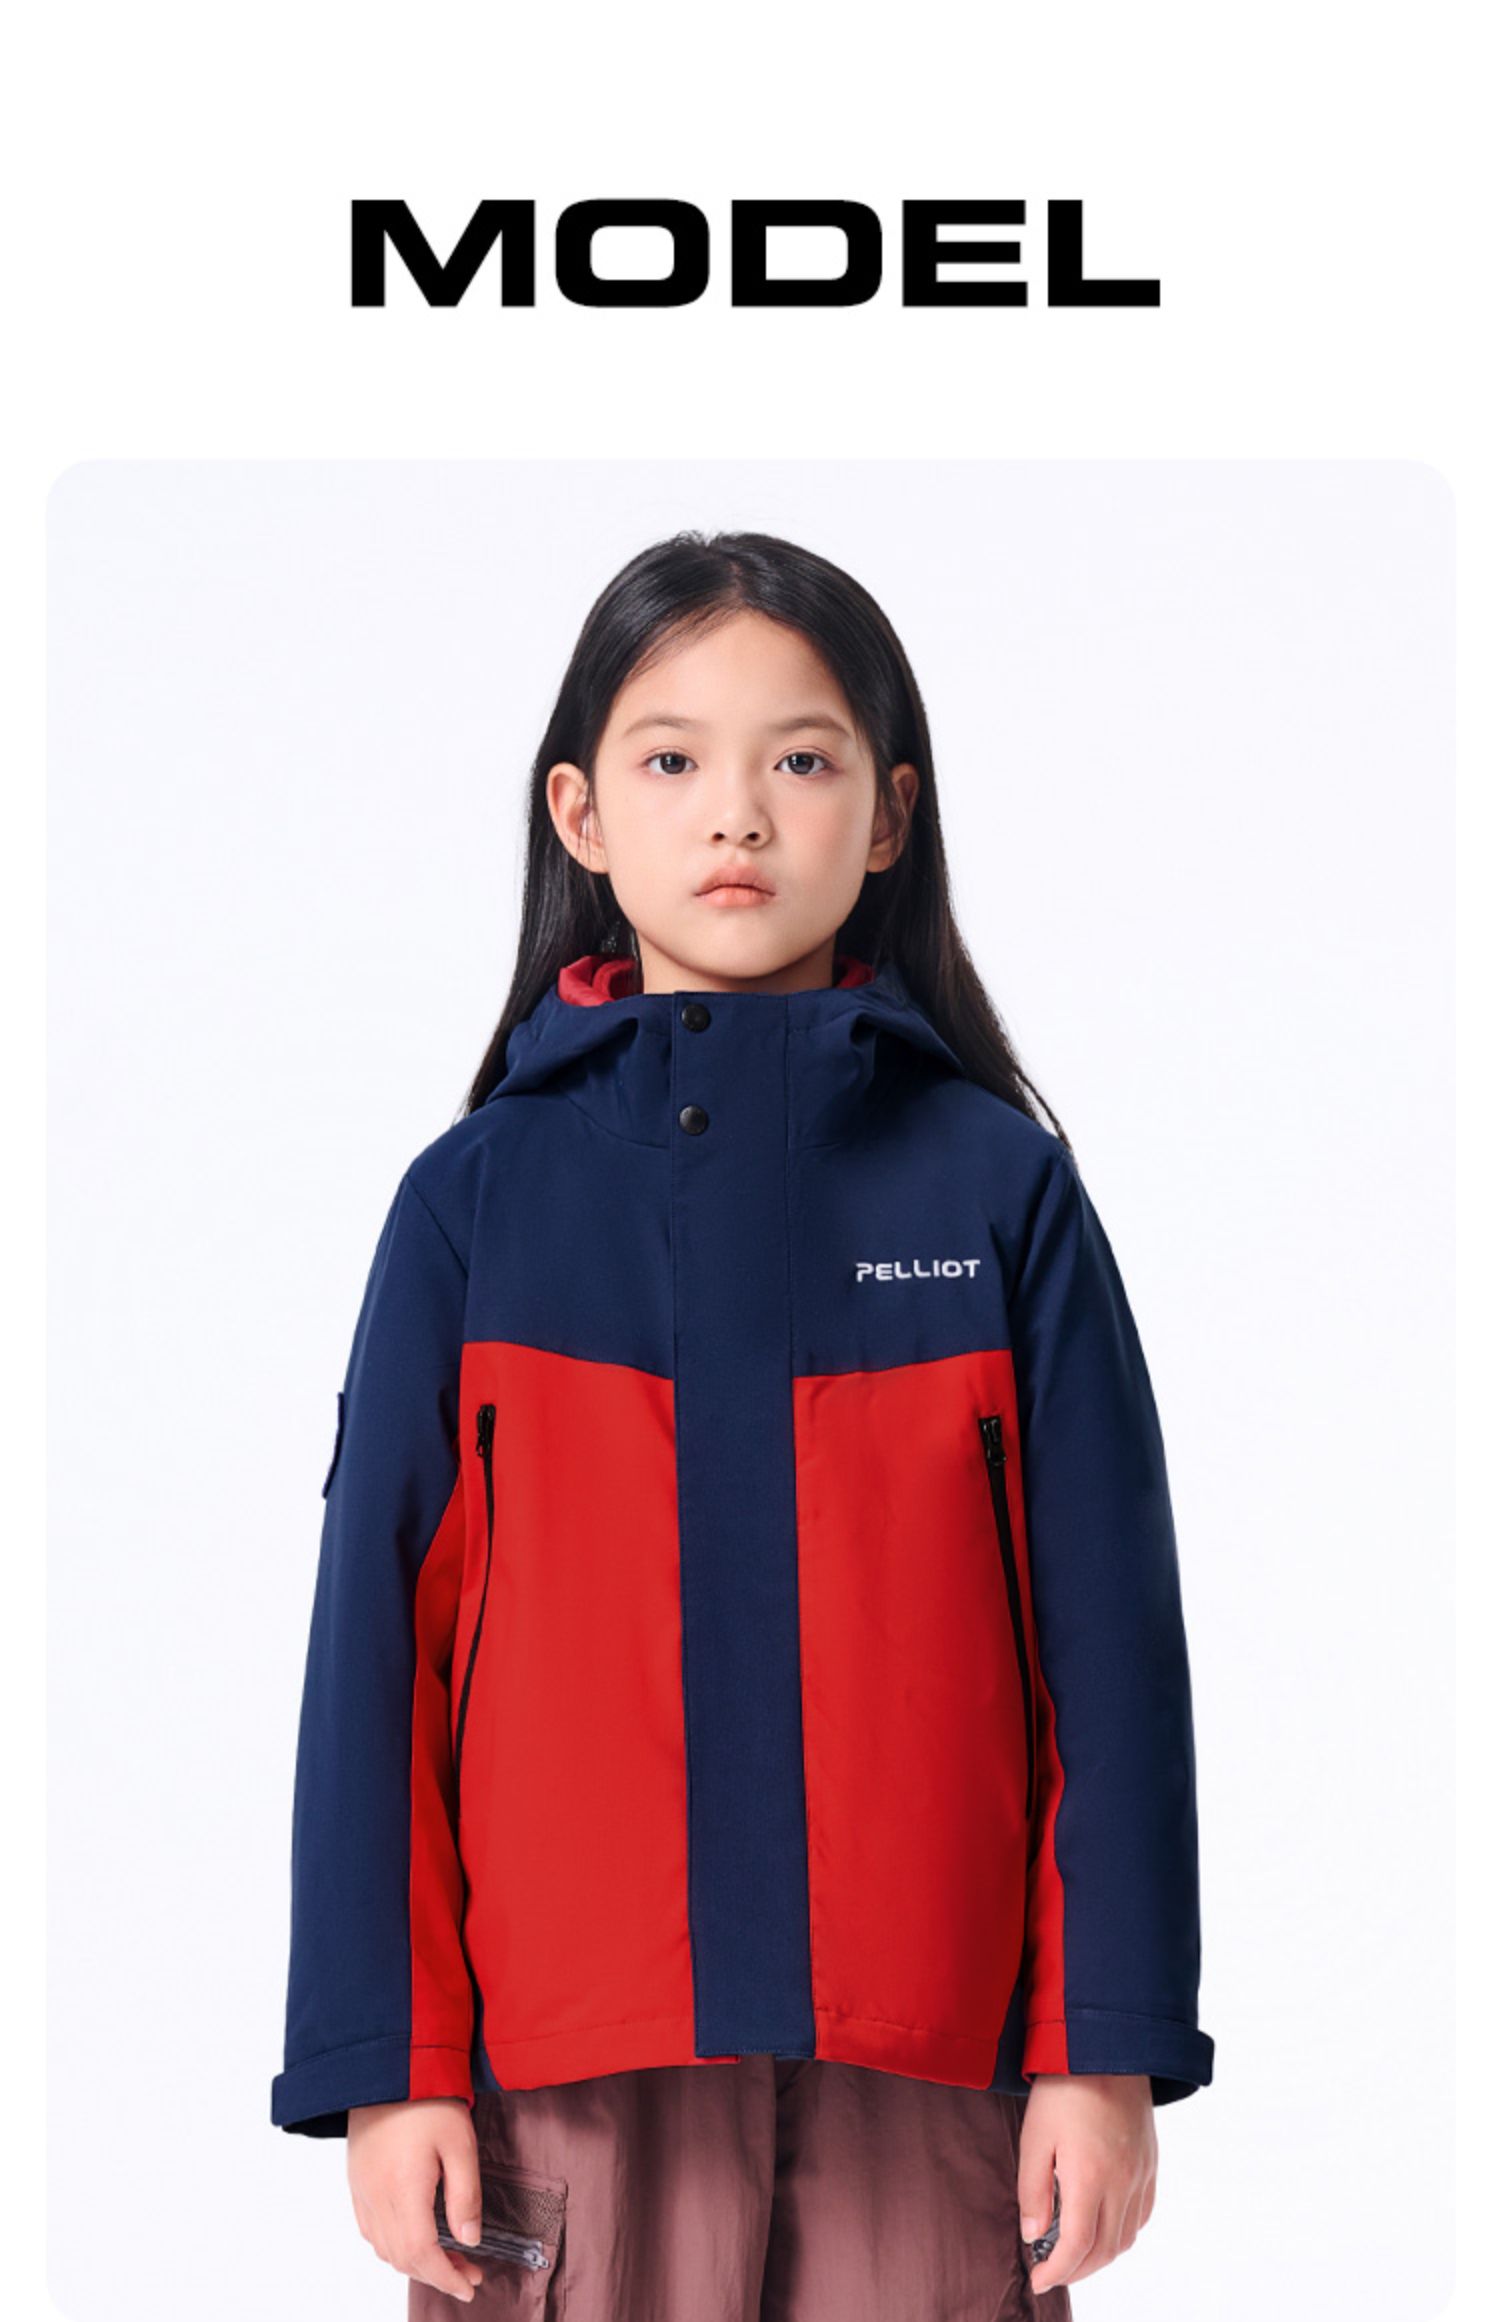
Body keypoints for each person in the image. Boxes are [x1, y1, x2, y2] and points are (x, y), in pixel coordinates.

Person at [270, 528, 1214, 2318]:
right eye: (671, 759)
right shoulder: (477, 1206)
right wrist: (387, 2065)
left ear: (889, 816)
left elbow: (1109, 1646)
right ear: (577, 812)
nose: (738, 815)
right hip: (565, 2060)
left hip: (933, 2056)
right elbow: (378, 1657)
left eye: (802, 759)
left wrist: (1103, 2046)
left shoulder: (1000, 1193)